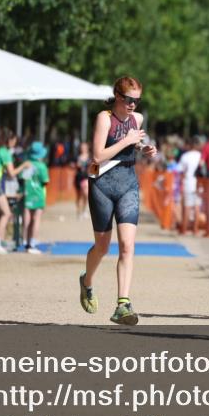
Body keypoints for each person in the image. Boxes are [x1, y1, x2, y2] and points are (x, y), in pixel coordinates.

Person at [80, 77, 157, 325]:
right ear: (117, 96)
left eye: (137, 100)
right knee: (102, 247)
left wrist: (144, 148)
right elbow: (98, 155)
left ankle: (123, 304)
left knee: (127, 246)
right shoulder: (105, 118)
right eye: (129, 100)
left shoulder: (138, 119)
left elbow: (134, 142)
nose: (133, 105)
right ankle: (87, 281)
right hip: (102, 184)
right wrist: (128, 141)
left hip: (128, 184)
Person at [0, 129, 30, 254]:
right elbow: (12, 173)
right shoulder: (5, 152)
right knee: (6, 213)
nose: (14, 143)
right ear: (9, 140)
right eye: (14, 141)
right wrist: (23, 166)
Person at [21, 141, 50, 254]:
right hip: (38, 194)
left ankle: (27, 242)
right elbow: (45, 181)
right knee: (36, 219)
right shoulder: (42, 166)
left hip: (28, 194)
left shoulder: (27, 164)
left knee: (27, 220)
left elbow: (23, 178)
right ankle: (32, 244)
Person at [177, 137, 203, 233]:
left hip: (188, 182)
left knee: (187, 206)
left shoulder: (185, 156)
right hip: (199, 183)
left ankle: (184, 229)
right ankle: (195, 229)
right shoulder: (201, 156)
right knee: (197, 207)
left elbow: (180, 170)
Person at [74, 142, 91, 219]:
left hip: (86, 178)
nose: (83, 148)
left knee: (86, 194)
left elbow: (94, 166)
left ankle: (84, 211)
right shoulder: (77, 157)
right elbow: (74, 166)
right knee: (79, 196)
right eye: (82, 147)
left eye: (84, 147)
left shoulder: (90, 157)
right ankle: (79, 212)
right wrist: (76, 165)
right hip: (79, 177)